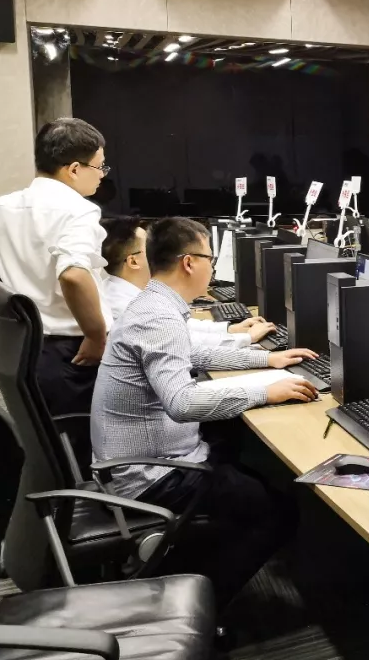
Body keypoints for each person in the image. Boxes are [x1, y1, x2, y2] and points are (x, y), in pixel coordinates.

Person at [91, 217, 319, 608]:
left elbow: (191, 354)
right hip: (150, 475)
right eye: (210, 258)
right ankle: (197, 605)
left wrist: (266, 358)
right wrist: (265, 391)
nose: (212, 267)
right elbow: (182, 403)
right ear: (189, 262)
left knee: (237, 449)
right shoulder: (158, 316)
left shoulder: (154, 304)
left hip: (145, 459)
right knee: (277, 512)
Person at [0, 119, 111, 416]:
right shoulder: (78, 211)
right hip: (70, 354)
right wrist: (96, 335)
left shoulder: (4, 207)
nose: (102, 175)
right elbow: (73, 275)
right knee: (79, 437)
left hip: (18, 348)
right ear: (74, 169)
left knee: (40, 434)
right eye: (99, 166)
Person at [99, 217, 275, 348]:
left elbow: (181, 325)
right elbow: (188, 344)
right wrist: (246, 338)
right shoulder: (127, 306)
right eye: (148, 248)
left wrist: (230, 330)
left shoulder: (131, 293)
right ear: (133, 261)